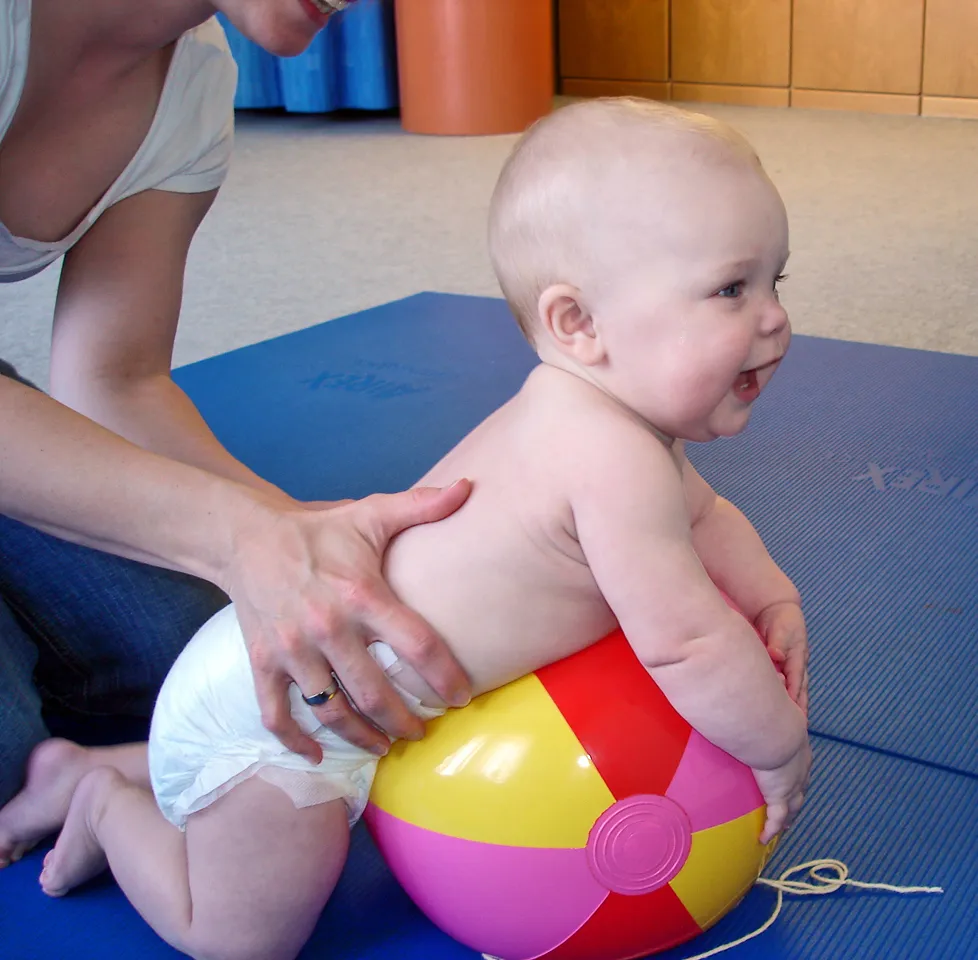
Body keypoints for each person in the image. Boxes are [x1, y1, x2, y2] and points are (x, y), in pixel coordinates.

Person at [0, 98, 812, 960]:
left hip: (309, 687)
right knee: (240, 942)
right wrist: (780, 747)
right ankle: (105, 806)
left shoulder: (603, 423)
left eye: (775, 281)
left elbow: (705, 515)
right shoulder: (608, 459)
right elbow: (684, 643)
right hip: (269, 725)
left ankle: (100, 765)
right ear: (579, 324)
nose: (773, 319)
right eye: (731, 290)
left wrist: (770, 591)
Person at [0, 0, 474, 817]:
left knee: (201, 655)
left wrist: (297, 532)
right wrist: (235, 537)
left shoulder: (191, 80)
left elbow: (114, 380)